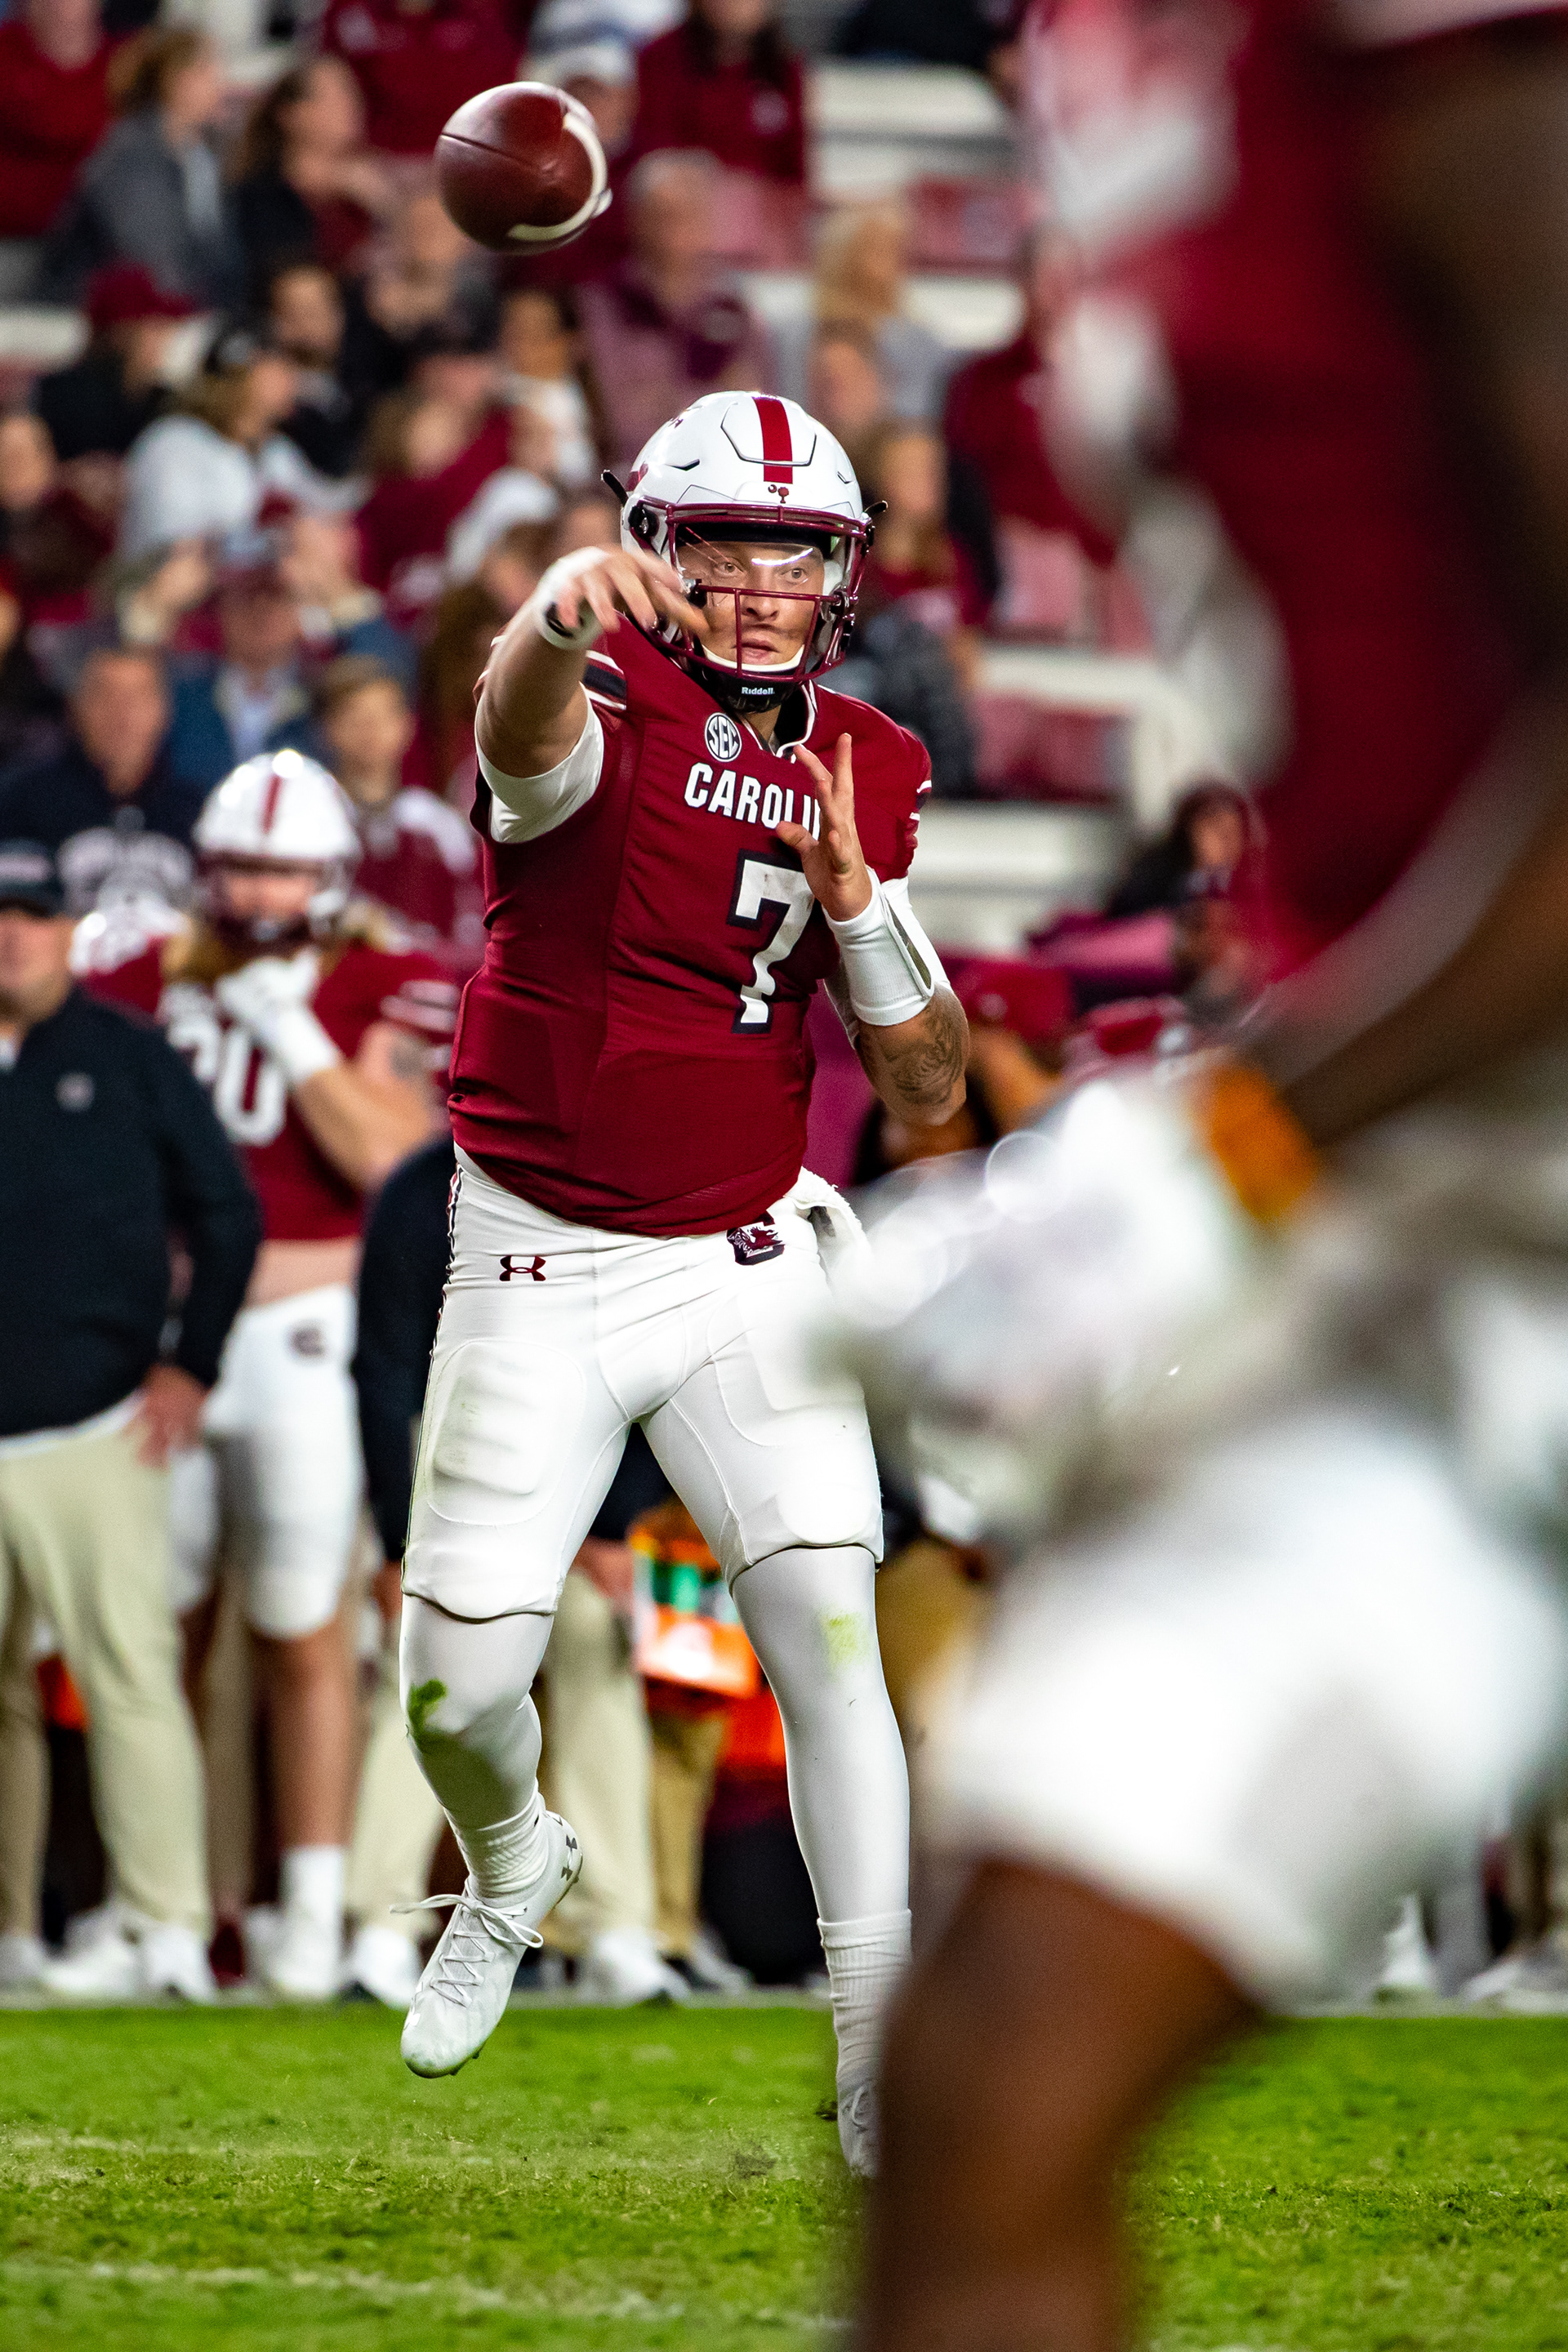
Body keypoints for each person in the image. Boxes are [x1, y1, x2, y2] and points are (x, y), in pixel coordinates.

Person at [854, 2, 1568, 2342]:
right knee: (990, 2074)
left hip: (1466, 1149)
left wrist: (1239, 1142)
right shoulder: (1119, 39)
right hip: (1476, 1209)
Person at [394, 387, 969, 2182]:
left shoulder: (868, 756)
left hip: (741, 1251)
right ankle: (512, 1867)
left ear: (841, 572)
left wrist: (864, 910)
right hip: (536, 1250)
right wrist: (553, 617)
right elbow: (520, 735)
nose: (764, 581)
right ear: (658, 545)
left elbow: (936, 1093)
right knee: (452, 1693)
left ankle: (880, 2035)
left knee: (826, 1636)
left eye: (797, 549)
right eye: (727, 541)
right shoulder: (599, 685)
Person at [91, 751, 453, 2000]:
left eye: (285, 866)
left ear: (334, 872)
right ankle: (169, 1912)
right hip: (167, 1338)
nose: (257, 890)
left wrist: (295, 1033)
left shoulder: (385, 979)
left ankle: (310, 1908)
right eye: (241, 862)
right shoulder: (139, 975)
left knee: (306, 1629)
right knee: (159, 1635)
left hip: (310, 1331)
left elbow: (397, 1167)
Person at [0, 838, 259, 1999]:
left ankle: (164, 1928)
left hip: (97, 1421)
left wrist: (189, 1367)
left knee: (130, 1676)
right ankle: (11, 1933)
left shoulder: (129, 1057)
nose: (11, 935)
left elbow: (228, 1214)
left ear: (67, 932)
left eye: (31, 915)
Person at [350, 1136, 688, 2007]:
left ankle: (618, 1929)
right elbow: (389, 1372)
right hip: (457, 1457)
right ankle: (383, 1930)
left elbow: (656, 1349)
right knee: (430, 1679)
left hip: (588, 1455)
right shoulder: (425, 1188)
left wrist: (612, 1523)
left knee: (595, 1653)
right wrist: (397, 1538)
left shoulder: (623, 1174)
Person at [0, 642, 204, 961]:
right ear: (76, 706)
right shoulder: (24, 799)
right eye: (105, 698)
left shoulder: (198, 809)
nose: (122, 717)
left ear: (163, 711)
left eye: (136, 699)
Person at [577, 151, 775, 471]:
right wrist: (711, 405)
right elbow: (622, 422)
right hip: (635, 473)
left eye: (688, 212)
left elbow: (757, 413)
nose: (675, 227)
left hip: (724, 476)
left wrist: (664, 402)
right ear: (637, 218)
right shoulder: (607, 303)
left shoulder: (735, 309)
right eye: (662, 213)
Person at [166, 537, 410, 792]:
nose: (262, 612)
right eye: (246, 596)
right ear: (221, 606)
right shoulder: (183, 692)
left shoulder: (322, 692)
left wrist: (336, 589)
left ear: (300, 606)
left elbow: (389, 680)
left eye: (277, 596)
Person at [40, 27, 243, 310]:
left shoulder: (203, 155)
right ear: (173, 80)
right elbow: (150, 260)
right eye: (205, 70)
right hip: (86, 315)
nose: (219, 84)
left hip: (176, 313)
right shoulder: (129, 154)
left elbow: (220, 254)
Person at [314, 653, 484, 970]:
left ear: (407, 726)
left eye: (382, 716)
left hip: (424, 987)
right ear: (328, 729)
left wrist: (395, 941)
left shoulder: (436, 824)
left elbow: (469, 933)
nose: (370, 730)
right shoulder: (307, 816)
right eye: (355, 717)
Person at [118, 325, 340, 564]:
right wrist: (275, 542)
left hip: (241, 593)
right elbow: (172, 545)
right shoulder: (174, 442)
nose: (293, 378)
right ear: (241, 374)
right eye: (280, 366)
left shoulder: (275, 450)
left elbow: (327, 506)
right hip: (157, 592)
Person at [231, 56, 395, 297]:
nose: (353, 105)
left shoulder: (371, 178)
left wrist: (386, 204)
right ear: (293, 114)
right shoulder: (262, 193)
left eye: (353, 94)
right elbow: (284, 278)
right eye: (337, 96)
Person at [777, 205, 949, 427]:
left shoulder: (919, 340)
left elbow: (917, 419)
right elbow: (789, 403)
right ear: (844, 256)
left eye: (899, 252)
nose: (895, 265)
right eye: (879, 250)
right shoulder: (798, 332)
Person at [0, 0, 117, 290]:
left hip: (96, 248)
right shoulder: (6, 54)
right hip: (12, 240)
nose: (60, 5)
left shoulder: (123, 63)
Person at [630, 0, 805, 187]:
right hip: (686, 202)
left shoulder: (784, 70)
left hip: (762, 206)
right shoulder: (661, 58)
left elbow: (794, 173)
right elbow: (655, 156)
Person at [318, 0, 519, 159]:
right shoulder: (350, 11)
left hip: (477, 157)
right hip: (379, 160)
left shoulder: (490, 10)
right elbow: (320, 90)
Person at [35, 265, 193, 465]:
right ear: (123, 332)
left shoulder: (162, 402)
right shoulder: (63, 397)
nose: (165, 338)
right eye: (154, 326)